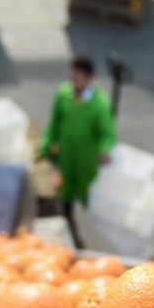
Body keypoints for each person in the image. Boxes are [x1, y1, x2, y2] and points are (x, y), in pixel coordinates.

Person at [39, 55, 117, 247]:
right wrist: (48, 144)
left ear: (88, 77)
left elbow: (107, 133)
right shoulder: (63, 94)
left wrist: (104, 150)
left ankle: (86, 235)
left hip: (86, 161)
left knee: (87, 197)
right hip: (67, 156)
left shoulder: (99, 104)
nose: (74, 79)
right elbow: (55, 123)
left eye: (78, 76)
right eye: (72, 74)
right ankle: (68, 219)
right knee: (65, 191)